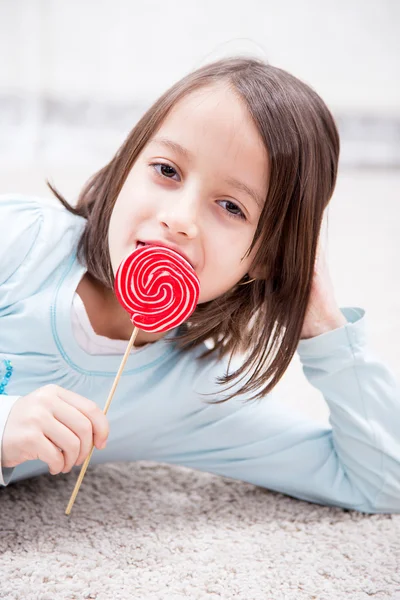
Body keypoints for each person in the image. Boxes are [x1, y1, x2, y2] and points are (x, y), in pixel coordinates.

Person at [0, 57, 399, 514]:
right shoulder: (17, 242)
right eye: (167, 171)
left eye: (231, 206)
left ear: (267, 258)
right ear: (127, 164)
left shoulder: (193, 393)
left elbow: (383, 482)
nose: (181, 218)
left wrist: (325, 328)